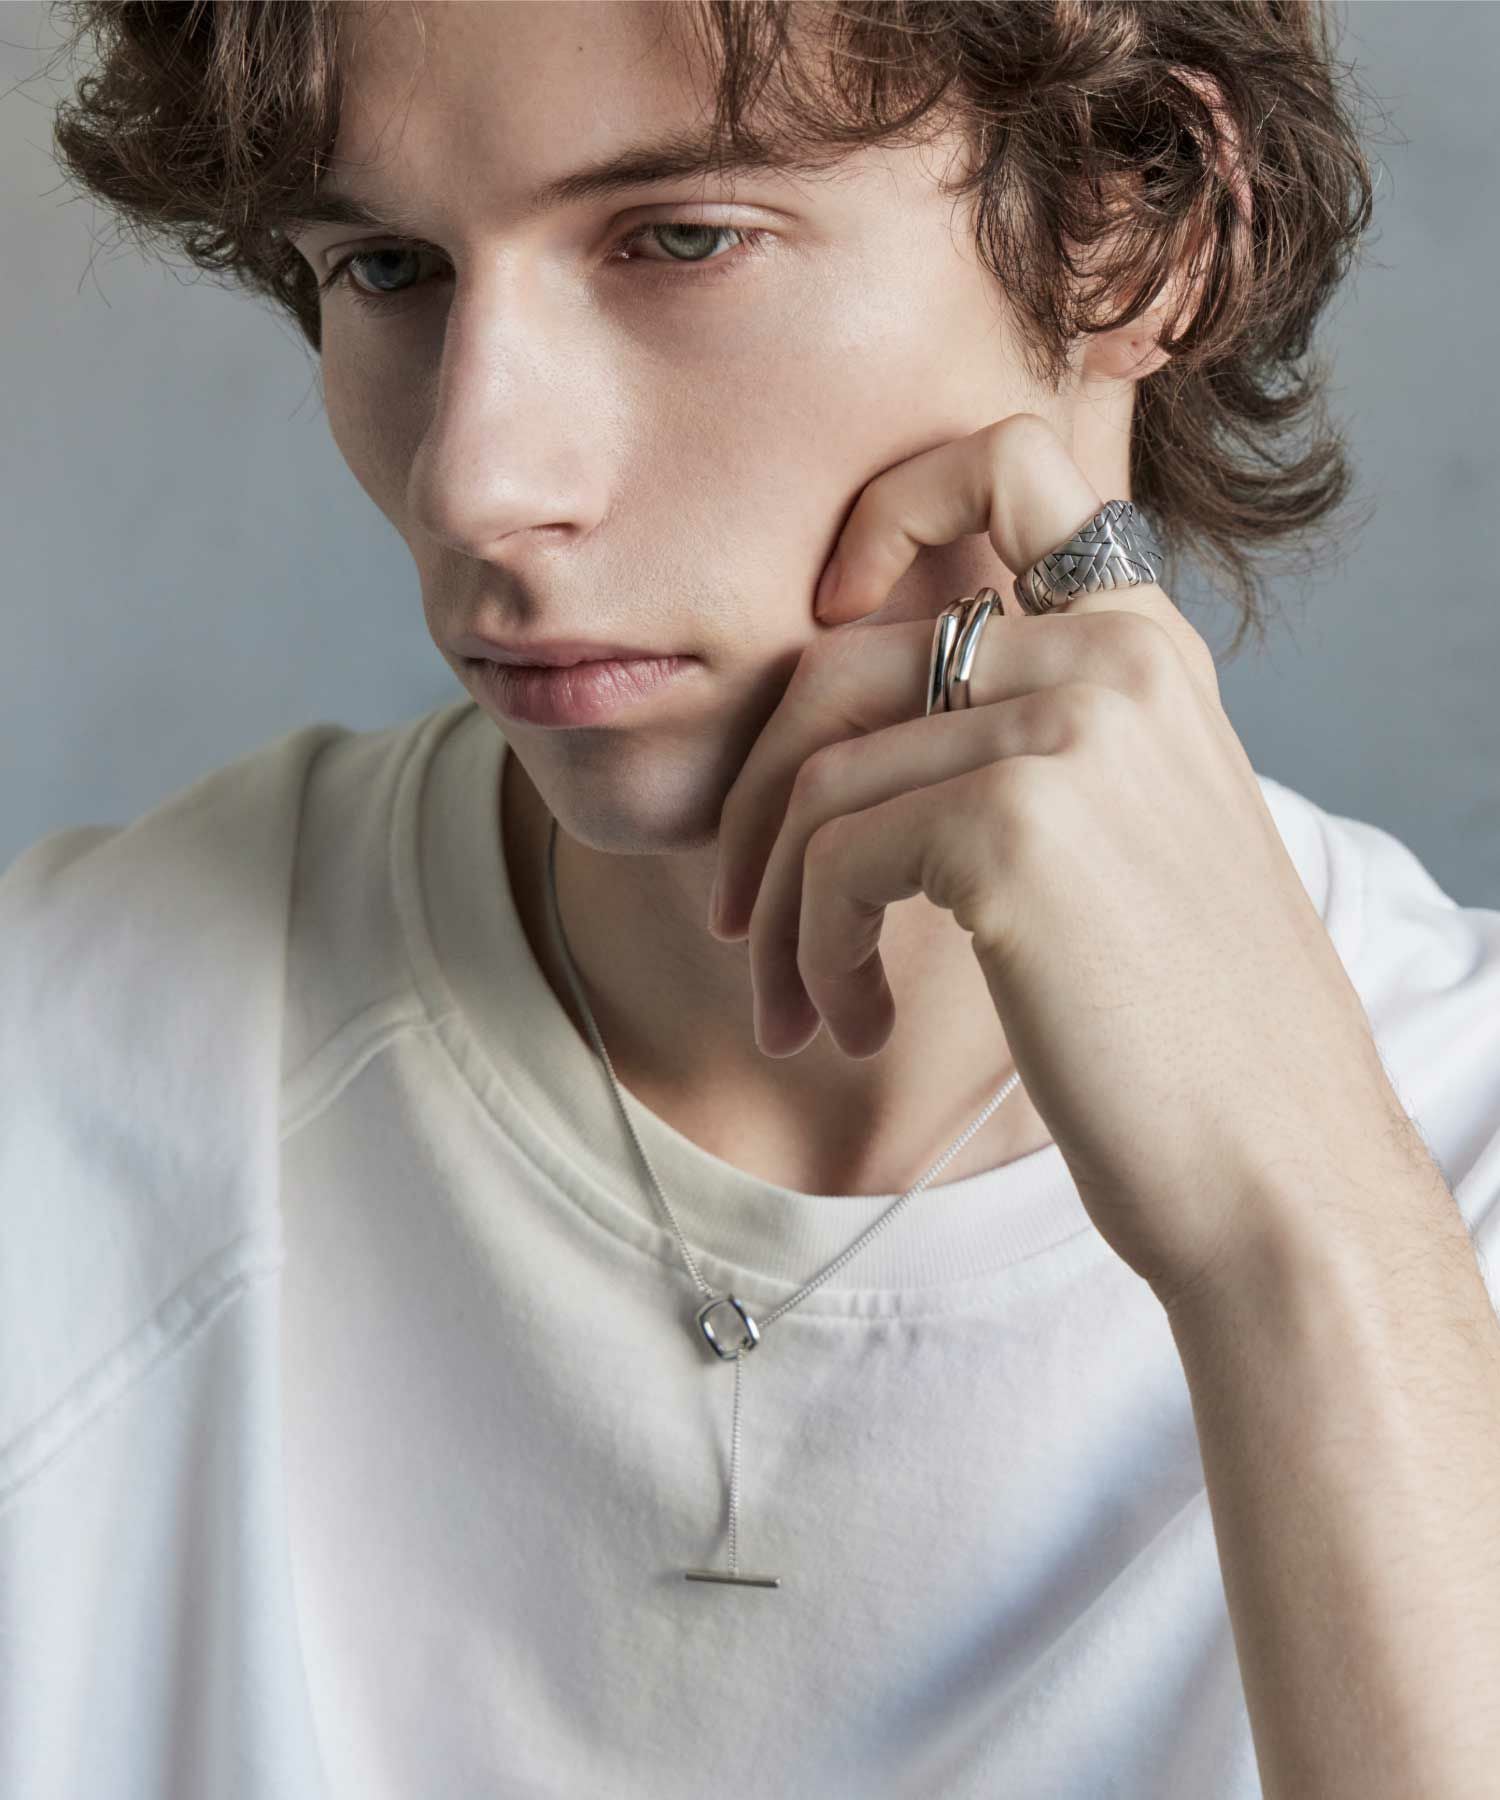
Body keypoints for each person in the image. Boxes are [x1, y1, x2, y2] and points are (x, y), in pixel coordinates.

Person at [5, 3, 1499, 1796]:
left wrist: (1302, 1243)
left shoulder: (1461, 1153)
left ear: (1141, 224)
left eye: (682, 240)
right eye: (386, 268)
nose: (475, 485)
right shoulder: (62, 1087)